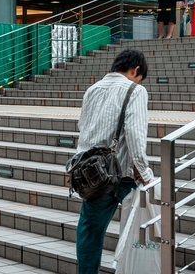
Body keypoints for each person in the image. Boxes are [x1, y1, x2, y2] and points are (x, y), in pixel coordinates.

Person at [73, 49, 153, 274]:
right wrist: (145, 175)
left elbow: (84, 130)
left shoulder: (93, 89)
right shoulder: (136, 91)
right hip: (124, 174)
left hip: (94, 174)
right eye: (139, 76)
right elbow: (136, 136)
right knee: (134, 230)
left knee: (89, 231)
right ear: (135, 70)